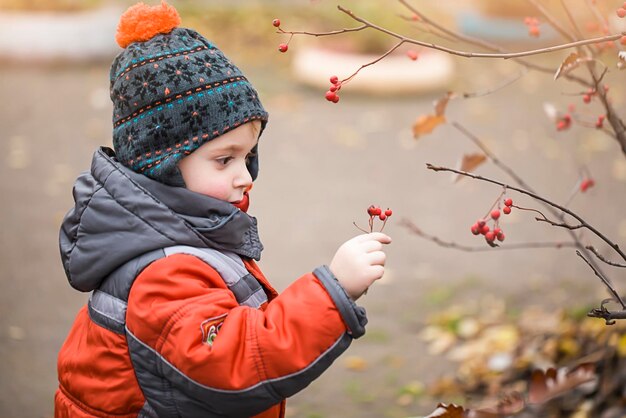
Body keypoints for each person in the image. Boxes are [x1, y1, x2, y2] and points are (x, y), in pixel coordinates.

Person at [54, 2, 391, 417]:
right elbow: (233, 362)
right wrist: (333, 292)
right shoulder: (164, 271)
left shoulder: (184, 232)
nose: (246, 175)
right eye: (224, 159)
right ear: (162, 163)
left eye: (247, 155)